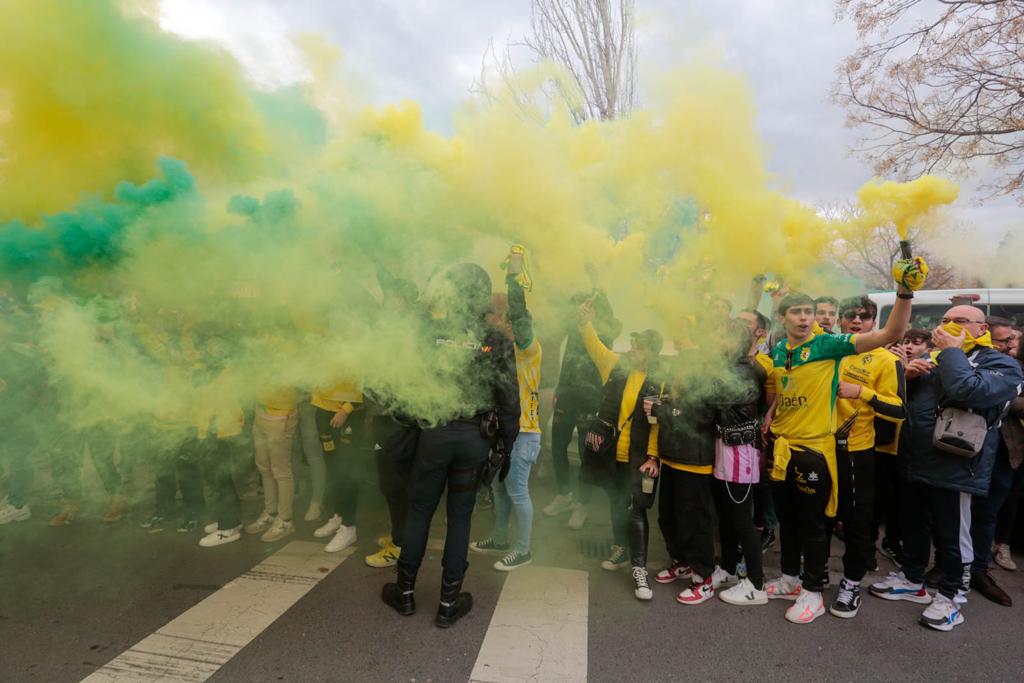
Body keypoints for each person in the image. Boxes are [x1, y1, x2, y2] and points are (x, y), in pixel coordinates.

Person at [763, 264, 919, 626]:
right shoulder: (782, 349)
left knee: (830, 523)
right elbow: (787, 389)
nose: (856, 322)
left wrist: (905, 291)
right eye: (797, 312)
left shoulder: (829, 345)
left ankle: (820, 589)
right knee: (789, 518)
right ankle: (790, 577)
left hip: (837, 450)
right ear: (783, 318)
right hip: (787, 447)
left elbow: (893, 332)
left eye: (864, 316)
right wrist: (770, 415)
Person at [382, 263, 519, 628]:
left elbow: (405, 383)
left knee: (419, 513)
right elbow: (509, 400)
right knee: (460, 518)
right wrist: (506, 447)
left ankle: (406, 595)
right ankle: (448, 603)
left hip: (435, 434)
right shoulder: (498, 340)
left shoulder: (431, 333)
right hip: (475, 438)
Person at [869, 305, 1022, 631]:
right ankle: (912, 580)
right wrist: (909, 379)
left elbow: (972, 391)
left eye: (961, 321)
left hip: (957, 469)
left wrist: (951, 354)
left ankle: (953, 598)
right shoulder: (938, 358)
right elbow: (906, 405)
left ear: (982, 329)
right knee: (913, 524)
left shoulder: (1002, 364)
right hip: (915, 461)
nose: (950, 326)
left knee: (954, 537)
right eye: (946, 321)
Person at [827, 296, 906, 618]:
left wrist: (863, 392)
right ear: (839, 320)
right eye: (850, 315)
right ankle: (812, 578)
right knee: (819, 518)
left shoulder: (886, 360)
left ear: (874, 322)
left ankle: (850, 583)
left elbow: (900, 410)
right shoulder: (828, 350)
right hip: (818, 449)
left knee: (857, 524)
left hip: (857, 453)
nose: (856, 321)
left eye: (865, 316)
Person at [577, 302, 663, 601]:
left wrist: (653, 457)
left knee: (637, 508)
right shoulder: (617, 366)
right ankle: (620, 549)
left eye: (639, 346)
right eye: (633, 343)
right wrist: (585, 323)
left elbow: (657, 425)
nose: (633, 349)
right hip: (615, 453)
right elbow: (595, 346)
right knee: (615, 501)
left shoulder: (659, 380)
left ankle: (639, 569)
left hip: (641, 458)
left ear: (652, 351)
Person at [471, 248, 542, 571]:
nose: (505, 324)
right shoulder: (501, 348)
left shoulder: (528, 348)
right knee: (500, 487)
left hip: (525, 433)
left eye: (510, 320)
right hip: (506, 430)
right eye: (502, 319)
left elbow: (521, 316)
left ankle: (524, 549)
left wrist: (514, 277)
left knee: (516, 490)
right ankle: (500, 537)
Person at [543, 289, 621, 530]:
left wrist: (591, 318)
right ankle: (563, 494)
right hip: (567, 395)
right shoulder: (574, 326)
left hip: (590, 398)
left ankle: (581, 504)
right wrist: (559, 388)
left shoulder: (605, 328)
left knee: (585, 453)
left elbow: (605, 349)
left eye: (581, 306)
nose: (577, 311)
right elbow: (567, 357)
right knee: (557, 447)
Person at [963, 316, 1023, 606]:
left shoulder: (1015, 367)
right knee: (957, 511)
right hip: (969, 448)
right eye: (1003, 340)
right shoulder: (971, 361)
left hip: (1005, 452)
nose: (1011, 345)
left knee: (987, 512)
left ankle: (978, 569)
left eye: (1012, 339)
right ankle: (948, 567)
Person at [311, 381, 366, 553]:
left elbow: (367, 381)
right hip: (323, 409)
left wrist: (346, 409)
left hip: (347, 414)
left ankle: (349, 527)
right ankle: (338, 515)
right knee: (333, 470)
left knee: (347, 472)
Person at [245, 387, 300, 543]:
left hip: (281, 415)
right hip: (261, 411)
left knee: (281, 470)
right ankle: (270, 513)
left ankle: (285, 521)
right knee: (264, 467)